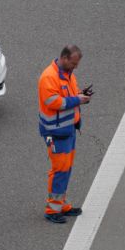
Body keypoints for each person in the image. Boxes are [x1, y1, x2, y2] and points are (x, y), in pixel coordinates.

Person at [37, 45, 93, 223]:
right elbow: (54, 102)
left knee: (66, 169)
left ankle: (60, 204)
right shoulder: (49, 77)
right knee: (59, 170)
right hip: (55, 133)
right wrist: (78, 99)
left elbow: (69, 95)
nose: (75, 67)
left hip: (67, 130)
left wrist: (80, 95)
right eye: (74, 63)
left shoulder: (68, 75)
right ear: (65, 58)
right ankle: (52, 210)